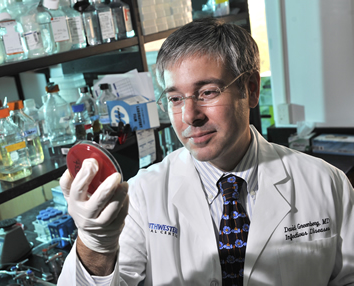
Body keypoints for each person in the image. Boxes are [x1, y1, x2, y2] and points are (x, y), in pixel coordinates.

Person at [58, 18, 354, 285]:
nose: (189, 115)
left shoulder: (327, 183)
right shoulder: (142, 195)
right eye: (175, 98)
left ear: (250, 89)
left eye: (207, 92)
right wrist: (95, 244)